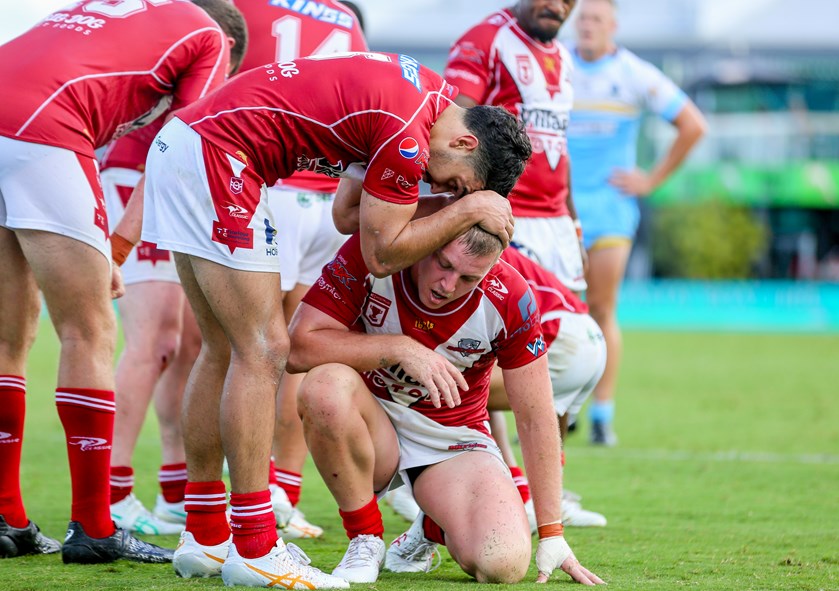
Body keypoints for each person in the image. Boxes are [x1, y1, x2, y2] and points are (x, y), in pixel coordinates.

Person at [121, 52, 530, 587]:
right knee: (264, 350)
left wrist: (457, 204)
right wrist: (466, 210)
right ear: (465, 143)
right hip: (223, 157)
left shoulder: (424, 99)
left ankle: (204, 535)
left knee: (222, 349)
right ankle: (255, 546)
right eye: (454, 183)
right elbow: (382, 255)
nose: (442, 191)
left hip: (190, 143)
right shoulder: (410, 135)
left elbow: (345, 215)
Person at [0, 0, 245, 563]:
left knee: (9, 338)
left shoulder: (114, 13)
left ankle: (7, 517)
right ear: (230, 52)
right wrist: (115, 248)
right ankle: (94, 527)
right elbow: (182, 149)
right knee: (88, 329)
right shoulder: (210, 38)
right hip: (45, 127)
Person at [288, 226, 604, 585]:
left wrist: (551, 531)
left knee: (503, 564)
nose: (447, 285)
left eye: (469, 277)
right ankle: (365, 538)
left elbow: (536, 416)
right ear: (428, 243)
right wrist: (399, 348)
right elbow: (298, 348)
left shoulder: (509, 295)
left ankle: (434, 522)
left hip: (452, 438)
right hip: (370, 419)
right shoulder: (377, 255)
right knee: (324, 386)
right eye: (444, 264)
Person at [230, 0, 368, 541]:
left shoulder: (245, 6)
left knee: (249, 351)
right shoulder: (345, 18)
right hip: (328, 200)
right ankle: (283, 497)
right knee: (297, 353)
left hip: (271, 186)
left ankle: (244, 497)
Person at [566, 0, 707, 444]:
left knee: (602, 309)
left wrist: (652, 179)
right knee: (556, 310)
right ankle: (561, 407)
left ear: (613, 26)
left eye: (596, 20)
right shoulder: (553, 66)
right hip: (556, 209)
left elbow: (693, 126)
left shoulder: (634, 73)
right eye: (582, 19)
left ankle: (602, 415)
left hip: (609, 211)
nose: (587, 26)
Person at [445, 0, 586, 292]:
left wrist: (574, 227)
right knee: (504, 327)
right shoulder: (485, 39)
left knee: (566, 329)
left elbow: (559, 148)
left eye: (568, 1)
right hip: (507, 217)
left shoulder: (563, 55)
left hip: (557, 223)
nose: (557, 7)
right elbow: (451, 127)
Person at [101, 120, 198, 537]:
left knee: (192, 343)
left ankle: (175, 491)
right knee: (155, 341)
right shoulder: (212, 52)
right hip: (139, 167)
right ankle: (112, 491)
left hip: (186, 173)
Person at [487, 246, 607, 527]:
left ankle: (417, 502)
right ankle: (550, 498)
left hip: (561, 336)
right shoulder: (491, 235)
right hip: (589, 334)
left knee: (458, 387)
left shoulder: (459, 247)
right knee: (550, 414)